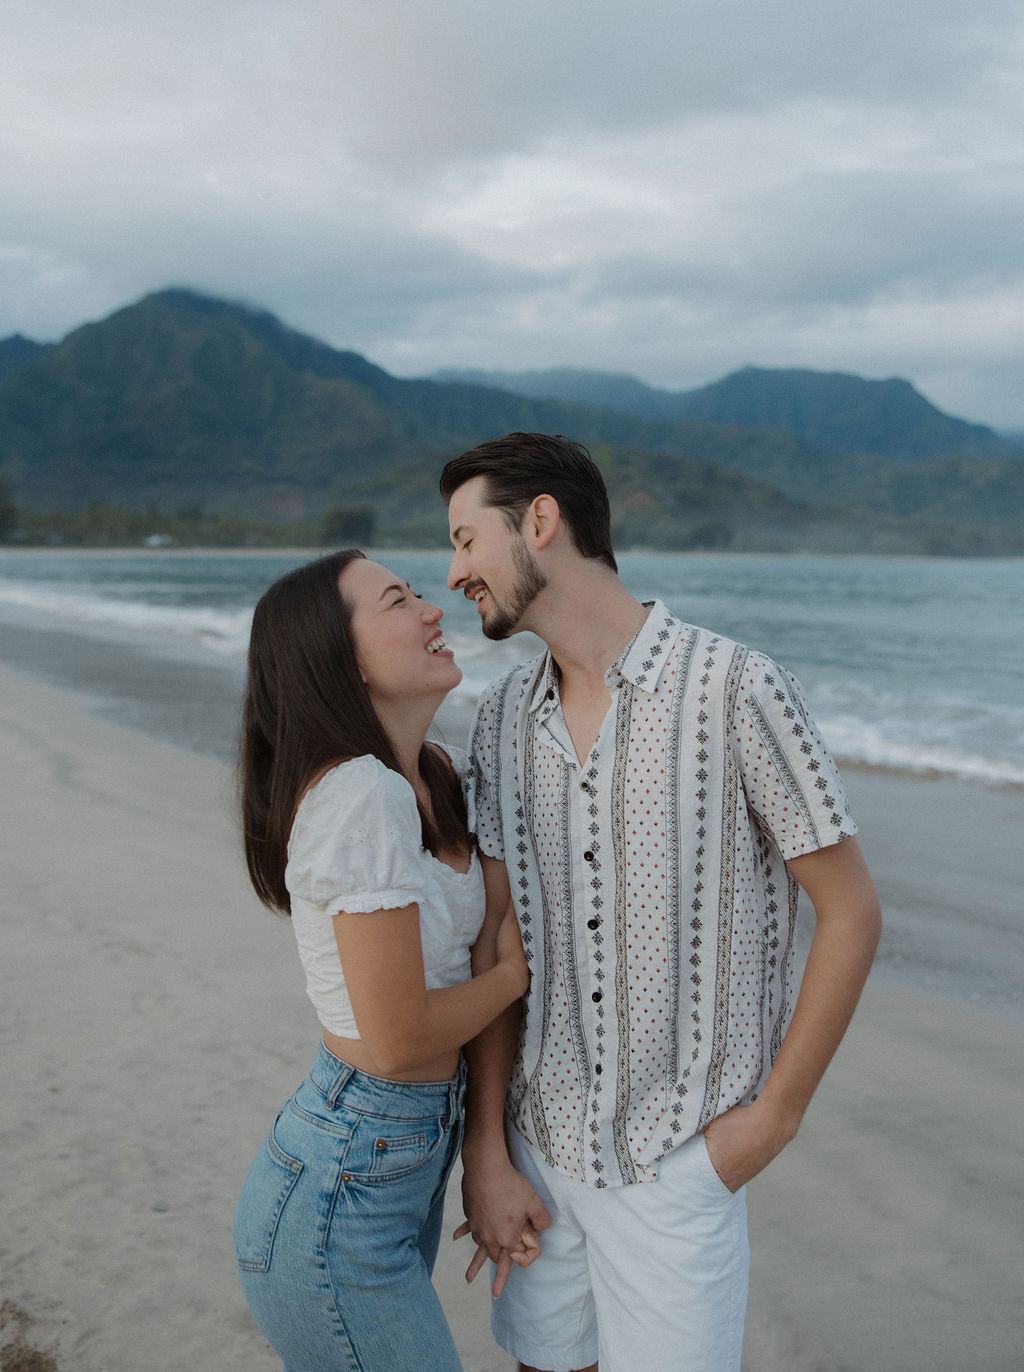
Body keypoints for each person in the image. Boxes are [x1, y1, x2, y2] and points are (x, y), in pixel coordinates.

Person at [439, 434, 882, 1372]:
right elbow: (497, 944)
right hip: (539, 1151)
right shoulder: (502, 720)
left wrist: (774, 1120)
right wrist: (487, 1146)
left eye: (466, 539)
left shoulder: (737, 688)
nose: (453, 573)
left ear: (542, 523)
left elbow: (851, 914)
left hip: (678, 1163)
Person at [233, 549, 530, 1371]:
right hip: (341, 1188)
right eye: (398, 601)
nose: (433, 610)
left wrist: (485, 1147)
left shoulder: (426, 774)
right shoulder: (360, 795)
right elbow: (399, 1040)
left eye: (419, 594)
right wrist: (514, 974)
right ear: (341, 662)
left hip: (390, 1162)